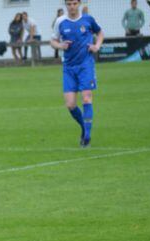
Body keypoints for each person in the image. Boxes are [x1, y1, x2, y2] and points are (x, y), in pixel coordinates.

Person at [51, 0, 104, 148]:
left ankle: (87, 137)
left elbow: (100, 33)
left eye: (74, 3)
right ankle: (84, 128)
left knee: (86, 98)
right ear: (66, 5)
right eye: (69, 4)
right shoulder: (60, 21)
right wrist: (60, 45)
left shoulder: (88, 19)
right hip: (68, 67)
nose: (72, 6)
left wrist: (97, 46)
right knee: (70, 104)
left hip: (86, 65)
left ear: (79, 3)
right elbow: (53, 41)